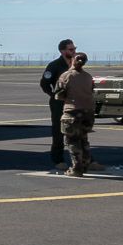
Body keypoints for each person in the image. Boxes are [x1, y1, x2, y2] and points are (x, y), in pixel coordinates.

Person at [54, 52, 100, 177]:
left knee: (72, 141)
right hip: (88, 112)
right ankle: (85, 164)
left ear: (73, 60)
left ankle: (77, 168)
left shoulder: (66, 76)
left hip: (72, 111)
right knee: (84, 139)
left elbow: (59, 95)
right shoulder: (88, 77)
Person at [39, 38, 75, 171]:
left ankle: (84, 159)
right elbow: (44, 83)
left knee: (78, 131)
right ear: (62, 51)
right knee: (59, 131)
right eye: (71, 49)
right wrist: (53, 95)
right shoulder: (54, 65)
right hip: (59, 103)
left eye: (74, 49)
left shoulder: (75, 65)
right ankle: (58, 159)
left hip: (74, 102)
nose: (74, 51)